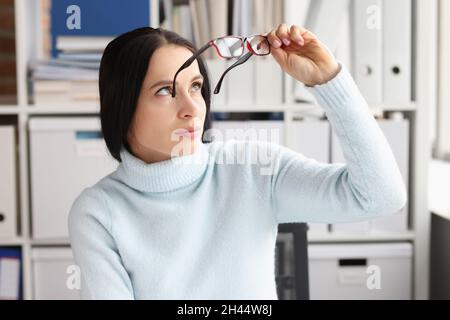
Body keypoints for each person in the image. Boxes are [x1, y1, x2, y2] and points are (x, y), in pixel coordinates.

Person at [68, 24, 407, 299]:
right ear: (123, 105)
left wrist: (328, 80)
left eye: (196, 86)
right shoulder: (99, 211)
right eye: (166, 91)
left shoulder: (250, 167)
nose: (192, 108)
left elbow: (381, 195)